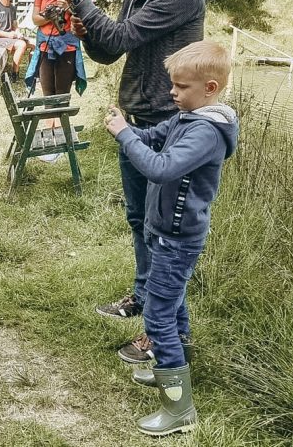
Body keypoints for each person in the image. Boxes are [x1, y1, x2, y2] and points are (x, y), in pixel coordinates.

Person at [50, 0, 208, 324]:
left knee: (165, 232)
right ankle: (142, 295)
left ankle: (167, 328)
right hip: (135, 122)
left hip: (170, 125)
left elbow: (123, 33)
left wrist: (81, 0)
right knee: (140, 219)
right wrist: (85, 32)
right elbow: (110, 49)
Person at [103, 40, 238, 436]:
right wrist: (129, 130)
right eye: (173, 85)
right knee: (174, 307)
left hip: (178, 239)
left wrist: (124, 137)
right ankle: (173, 368)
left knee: (159, 317)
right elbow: (153, 138)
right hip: (164, 232)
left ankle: (179, 409)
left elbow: (161, 169)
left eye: (180, 88)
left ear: (210, 88)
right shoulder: (186, 119)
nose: (172, 94)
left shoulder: (207, 132)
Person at [24, 0, 92, 103]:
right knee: (47, 97)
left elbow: (88, 19)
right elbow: (35, 19)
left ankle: (61, 127)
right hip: (45, 47)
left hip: (67, 47)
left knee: (62, 97)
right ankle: (50, 128)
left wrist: (68, 9)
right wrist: (52, 13)